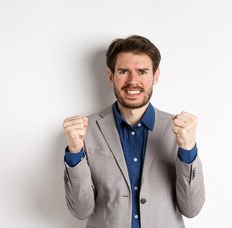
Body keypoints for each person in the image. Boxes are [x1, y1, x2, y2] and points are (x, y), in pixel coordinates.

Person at [62, 35, 205, 228]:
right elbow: (80, 211)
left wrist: (188, 149)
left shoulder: (179, 130)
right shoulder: (86, 130)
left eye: (142, 71)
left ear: (155, 76)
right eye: (123, 71)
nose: (133, 81)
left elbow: (191, 209)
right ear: (111, 76)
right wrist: (75, 152)